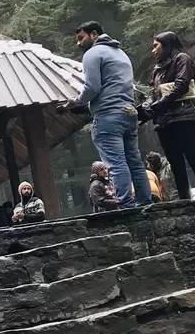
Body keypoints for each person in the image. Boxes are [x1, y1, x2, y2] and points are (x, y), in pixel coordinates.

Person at [62, 21, 152, 209]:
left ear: (94, 34)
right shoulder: (121, 54)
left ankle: (127, 205)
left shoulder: (93, 54)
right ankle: (145, 200)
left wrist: (76, 101)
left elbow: (92, 87)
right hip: (129, 112)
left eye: (81, 38)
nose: (78, 43)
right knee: (134, 161)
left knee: (116, 163)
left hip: (108, 115)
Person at [143, 31, 195, 200]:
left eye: (156, 46)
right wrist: (148, 105)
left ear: (167, 43)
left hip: (182, 116)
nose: (153, 50)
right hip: (163, 121)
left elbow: (182, 85)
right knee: (175, 163)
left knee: (193, 157)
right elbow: (152, 92)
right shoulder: (157, 68)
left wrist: (159, 103)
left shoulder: (181, 59)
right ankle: (185, 199)